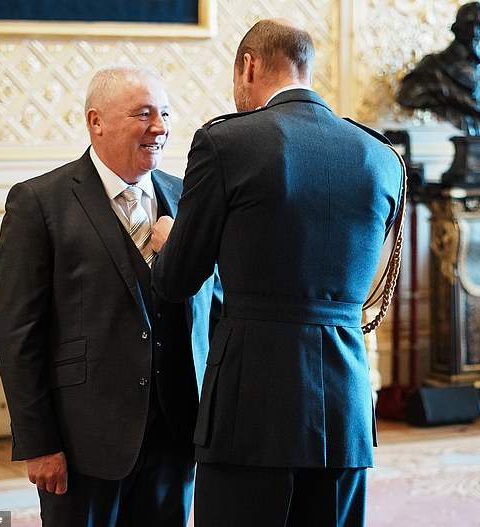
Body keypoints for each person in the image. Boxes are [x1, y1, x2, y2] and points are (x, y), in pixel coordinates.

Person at [151, 19, 404, 527]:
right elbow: (371, 275)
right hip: (345, 406)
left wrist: (166, 241)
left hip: (251, 407)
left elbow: (177, 280)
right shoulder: (380, 156)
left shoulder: (227, 143)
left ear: (249, 66)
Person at [0, 65, 219, 527]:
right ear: (96, 121)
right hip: (83, 443)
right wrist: (39, 442)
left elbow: (217, 315)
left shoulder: (188, 200)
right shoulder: (39, 202)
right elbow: (19, 336)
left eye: (166, 113)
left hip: (176, 435)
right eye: (144, 113)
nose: (161, 127)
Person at [397, 1, 480, 136]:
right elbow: (406, 97)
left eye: (479, 25)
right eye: (469, 24)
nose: (474, 31)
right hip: (451, 130)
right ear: (457, 28)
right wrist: (444, 90)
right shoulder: (434, 65)